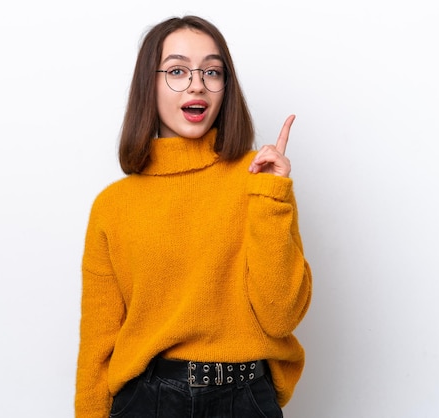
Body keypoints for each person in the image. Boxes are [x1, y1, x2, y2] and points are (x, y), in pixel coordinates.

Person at [75, 15, 312, 418]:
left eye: (212, 71)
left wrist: (271, 196)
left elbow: (281, 315)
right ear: (148, 85)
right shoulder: (113, 205)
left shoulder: (259, 178)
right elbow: (98, 341)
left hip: (246, 398)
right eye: (178, 71)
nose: (197, 83)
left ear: (225, 87)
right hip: (146, 401)